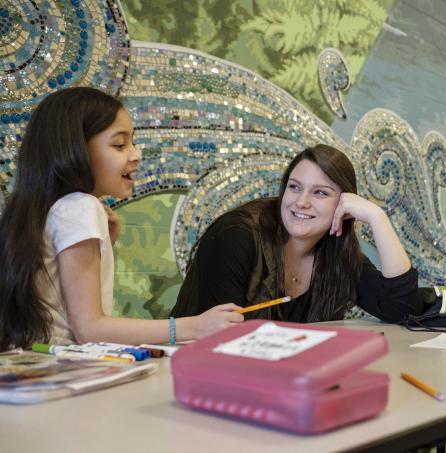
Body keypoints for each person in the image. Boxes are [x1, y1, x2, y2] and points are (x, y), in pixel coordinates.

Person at [0, 87, 243, 351]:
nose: (136, 154)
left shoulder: (46, 209)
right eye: (119, 144)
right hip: (63, 372)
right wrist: (194, 326)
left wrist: (103, 246)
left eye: (132, 142)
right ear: (77, 149)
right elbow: (89, 329)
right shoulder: (81, 206)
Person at [171, 144, 422, 323]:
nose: (301, 202)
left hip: (281, 383)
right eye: (294, 187)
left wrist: (378, 218)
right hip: (197, 379)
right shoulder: (237, 236)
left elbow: (404, 310)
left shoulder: (337, 254)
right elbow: (220, 337)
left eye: (320, 193)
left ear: (344, 204)